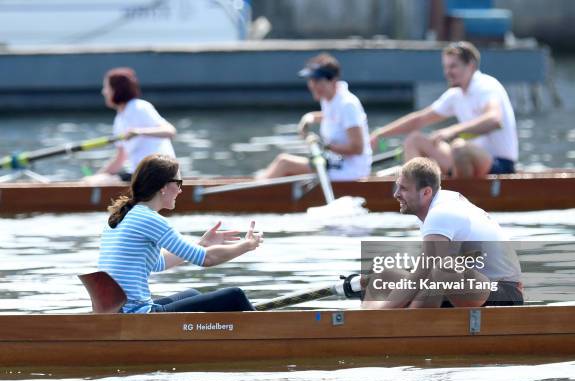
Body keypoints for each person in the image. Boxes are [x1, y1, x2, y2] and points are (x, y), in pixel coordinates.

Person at [98, 153, 263, 313]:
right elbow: (207, 259)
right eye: (178, 183)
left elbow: (158, 263)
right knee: (234, 296)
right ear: (163, 187)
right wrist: (247, 245)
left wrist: (201, 245)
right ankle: (269, 336)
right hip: (135, 315)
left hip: (122, 311)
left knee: (193, 295)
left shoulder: (124, 215)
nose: (180, 190)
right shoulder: (150, 219)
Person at [362, 157, 523, 309]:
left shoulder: (441, 213)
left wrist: (386, 309)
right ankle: (364, 325)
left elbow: (424, 272)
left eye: (403, 188)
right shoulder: (435, 206)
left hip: (504, 293)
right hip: (470, 288)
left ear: (426, 192)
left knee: (440, 269)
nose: (396, 194)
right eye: (398, 186)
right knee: (382, 278)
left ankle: (399, 320)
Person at [370, 41, 518, 178]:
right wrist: (380, 133)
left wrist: (452, 131)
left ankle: (461, 199)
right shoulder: (456, 94)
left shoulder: (486, 86)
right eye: (445, 67)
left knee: (459, 148)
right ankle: (416, 196)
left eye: (453, 66)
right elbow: (419, 119)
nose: (447, 72)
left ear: (471, 65)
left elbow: (494, 120)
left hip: (500, 164)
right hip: (468, 163)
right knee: (414, 140)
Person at [258, 53, 372, 181]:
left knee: (284, 162)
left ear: (333, 81)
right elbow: (332, 117)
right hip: (335, 162)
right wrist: (309, 117)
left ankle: (249, 195)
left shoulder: (347, 105)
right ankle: (256, 186)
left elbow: (357, 148)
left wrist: (325, 146)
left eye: (317, 80)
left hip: (351, 171)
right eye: (310, 80)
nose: (312, 85)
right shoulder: (329, 98)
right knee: (276, 170)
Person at [84, 67, 176, 184]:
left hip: (158, 173)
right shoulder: (119, 118)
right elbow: (120, 158)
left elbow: (170, 131)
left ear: (116, 90)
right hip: (139, 175)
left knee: (102, 181)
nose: (104, 92)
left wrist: (139, 132)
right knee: (92, 181)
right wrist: (94, 179)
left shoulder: (140, 107)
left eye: (106, 87)